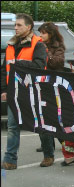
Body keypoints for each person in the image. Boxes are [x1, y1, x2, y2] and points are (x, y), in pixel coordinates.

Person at [1, 13, 47, 170]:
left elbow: (40, 66)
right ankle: (10, 159)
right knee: (13, 126)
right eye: (15, 25)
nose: (15, 28)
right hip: (14, 91)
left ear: (29, 27)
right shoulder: (10, 45)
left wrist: (20, 63)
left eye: (19, 25)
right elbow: (3, 70)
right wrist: (4, 89)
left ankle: (48, 154)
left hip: (33, 91)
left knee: (40, 124)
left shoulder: (38, 44)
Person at [37, 22, 66, 167]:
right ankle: (49, 153)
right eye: (40, 32)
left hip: (53, 87)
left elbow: (57, 62)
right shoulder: (37, 45)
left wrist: (45, 52)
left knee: (52, 119)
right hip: (39, 85)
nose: (40, 35)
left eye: (43, 32)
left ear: (51, 34)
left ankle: (66, 145)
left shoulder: (58, 46)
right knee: (42, 120)